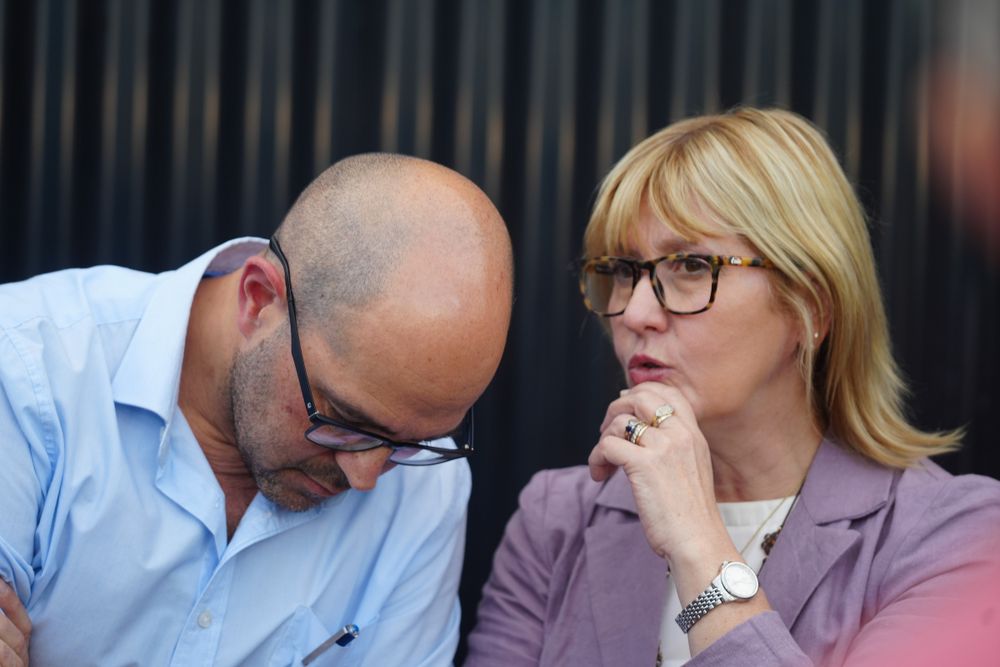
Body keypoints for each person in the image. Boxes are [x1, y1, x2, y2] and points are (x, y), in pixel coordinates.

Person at [464, 108, 1000, 666]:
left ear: (810, 305)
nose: (636, 312)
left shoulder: (950, 534)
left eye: (691, 266)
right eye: (623, 271)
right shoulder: (558, 519)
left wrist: (698, 541)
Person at [0, 153, 513, 666]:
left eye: (412, 443)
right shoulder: (26, 374)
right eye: (345, 420)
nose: (365, 478)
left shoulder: (426, 489)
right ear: (259, 300)